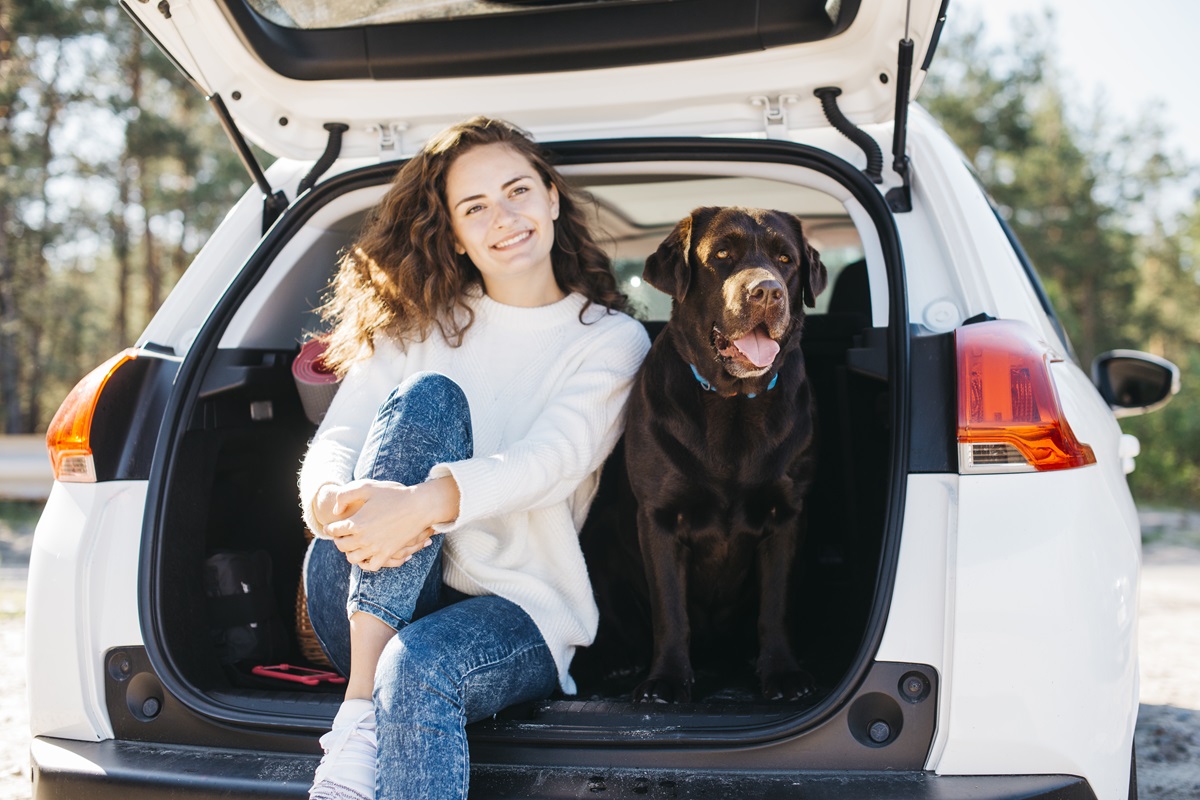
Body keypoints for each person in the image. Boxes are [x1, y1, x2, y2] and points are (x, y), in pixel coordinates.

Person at [297, 116, 650, 800]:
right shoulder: (419, 323)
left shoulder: (610, 340)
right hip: (364, 592)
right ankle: (361, 710)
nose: (504, 218)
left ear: (552, 197)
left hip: (519, 607)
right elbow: (338, 437)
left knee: (418, 665)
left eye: (518, 191)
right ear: (454, 234)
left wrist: (421, 505)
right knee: (426, 400)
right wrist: (329, 500)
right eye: (476, 207)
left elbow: (552, 459)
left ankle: (358, 723)